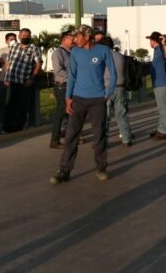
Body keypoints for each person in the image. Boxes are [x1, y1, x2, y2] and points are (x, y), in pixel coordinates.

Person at [50, 25, 117, 185]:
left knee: (99, 134)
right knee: (71, 135)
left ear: (87, 37)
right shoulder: (75, 52)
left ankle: (101, 168)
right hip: (78, 99)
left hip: (97, 100)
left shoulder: (103, 51)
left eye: (78, 36)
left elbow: (113, 74)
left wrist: (107, 95)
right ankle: (64, 170)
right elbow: (72, 75)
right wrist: (68, 98)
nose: (75, 39)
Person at [3, 28, 43, 132]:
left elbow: (39, 63)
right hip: (12, 80)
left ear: (30, 36)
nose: (25, 37)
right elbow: (8, 61)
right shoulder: (14, 46)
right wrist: (6, 77)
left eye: (27, 36)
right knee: (10, 104)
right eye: (23, 35)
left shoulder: (34, 48)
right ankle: (7, 127)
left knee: (22, 106)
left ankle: (18, 128)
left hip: (24, 82)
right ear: (19, 36)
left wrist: (32, 78)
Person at [99, 36, 132, 146]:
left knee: (105, 116)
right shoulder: (120, 56)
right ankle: (126, 139)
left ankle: (103, 141)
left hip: (107, 88)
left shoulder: (102, 57)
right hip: (120, 87)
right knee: (122, 115)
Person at [147, 31, 166, 140]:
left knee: (163, 108)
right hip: (157, 83)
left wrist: (164, 43)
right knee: (160, 107)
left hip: (162, 83)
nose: (150, 42)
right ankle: (161, 127)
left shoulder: (162, 48)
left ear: (154, 41)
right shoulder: (156, 50)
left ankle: (164, 131)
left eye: (150, 40)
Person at [49, 30, 74, 149]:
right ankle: (55, 139)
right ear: (64, 39)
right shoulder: (58, 52)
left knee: (70, 113)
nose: (73, 40)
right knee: (60, 113)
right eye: (71, 38)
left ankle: (70, 137)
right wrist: (74, 77)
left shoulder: (72, 52)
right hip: (62, 86)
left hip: (71, 85)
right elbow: (58, 71)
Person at [0, 32, 16, 134]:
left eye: (14, 39)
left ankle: (12, 124)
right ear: (6, 41)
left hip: (15, 80)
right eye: (11, 39)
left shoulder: (20, 49)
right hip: (4, 79)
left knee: (13, 102)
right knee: (3, 102)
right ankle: (0, 123)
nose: (13, 41)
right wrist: (1, 61)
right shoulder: (2, 50)